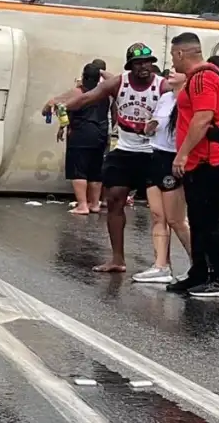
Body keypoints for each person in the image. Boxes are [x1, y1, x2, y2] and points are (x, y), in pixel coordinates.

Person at [64, 43, 166, 273]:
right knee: (114, 200)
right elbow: (87, 97)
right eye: (139, 63)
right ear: (130, 66)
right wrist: (62, 106)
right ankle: (117, 259)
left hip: (153, 152)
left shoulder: (163, 86)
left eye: (148, 62)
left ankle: (162, 264)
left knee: (159, 211)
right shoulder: (120, 82)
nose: (145, 67)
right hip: (125, 151)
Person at [167, 32, 219, 298]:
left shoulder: (203, 78)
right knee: (197, 220)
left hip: (209, 160)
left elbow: (203, 119)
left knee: (209, 221)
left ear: (182, 53)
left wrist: (182, 154)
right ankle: (199, 272)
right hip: (199, 161)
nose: (172, 61)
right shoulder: (198, 78)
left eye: (173, 55)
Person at [136, 67, 192, 284]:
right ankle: (161, 265)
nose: (170, 72)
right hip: (155, 154)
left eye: (177, 71)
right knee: (158, 215)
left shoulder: (188, 100)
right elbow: (158, 124)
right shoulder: (165, 98)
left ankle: (198, 263)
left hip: (173, 158)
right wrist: (150, 126)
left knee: (176, 219)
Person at [44, 63, 109, 215]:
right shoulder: (105, 93)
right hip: (100, 135)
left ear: (84, 77)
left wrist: (46, 111)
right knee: (95, 171)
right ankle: (94, 204)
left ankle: (82, 205)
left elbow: (53, 103)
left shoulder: (77, 92)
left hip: (81, 134)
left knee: (78, 170)